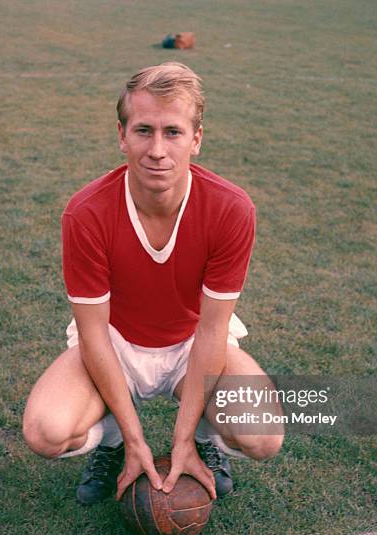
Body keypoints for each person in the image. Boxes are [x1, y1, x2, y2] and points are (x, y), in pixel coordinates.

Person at [23, 62, 284, 505]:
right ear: (122, 135)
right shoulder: (86, 213)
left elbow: (211, 330)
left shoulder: (230, 209)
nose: (157, 150)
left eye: (173, 132)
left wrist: (179, 438)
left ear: (196, 138)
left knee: (263, 436)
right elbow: (92, 333)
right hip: (115, 342)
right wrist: (134, 437)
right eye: (143, 130)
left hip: (190, 343)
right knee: (46, 432)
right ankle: (110, 446)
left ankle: (201, 440)